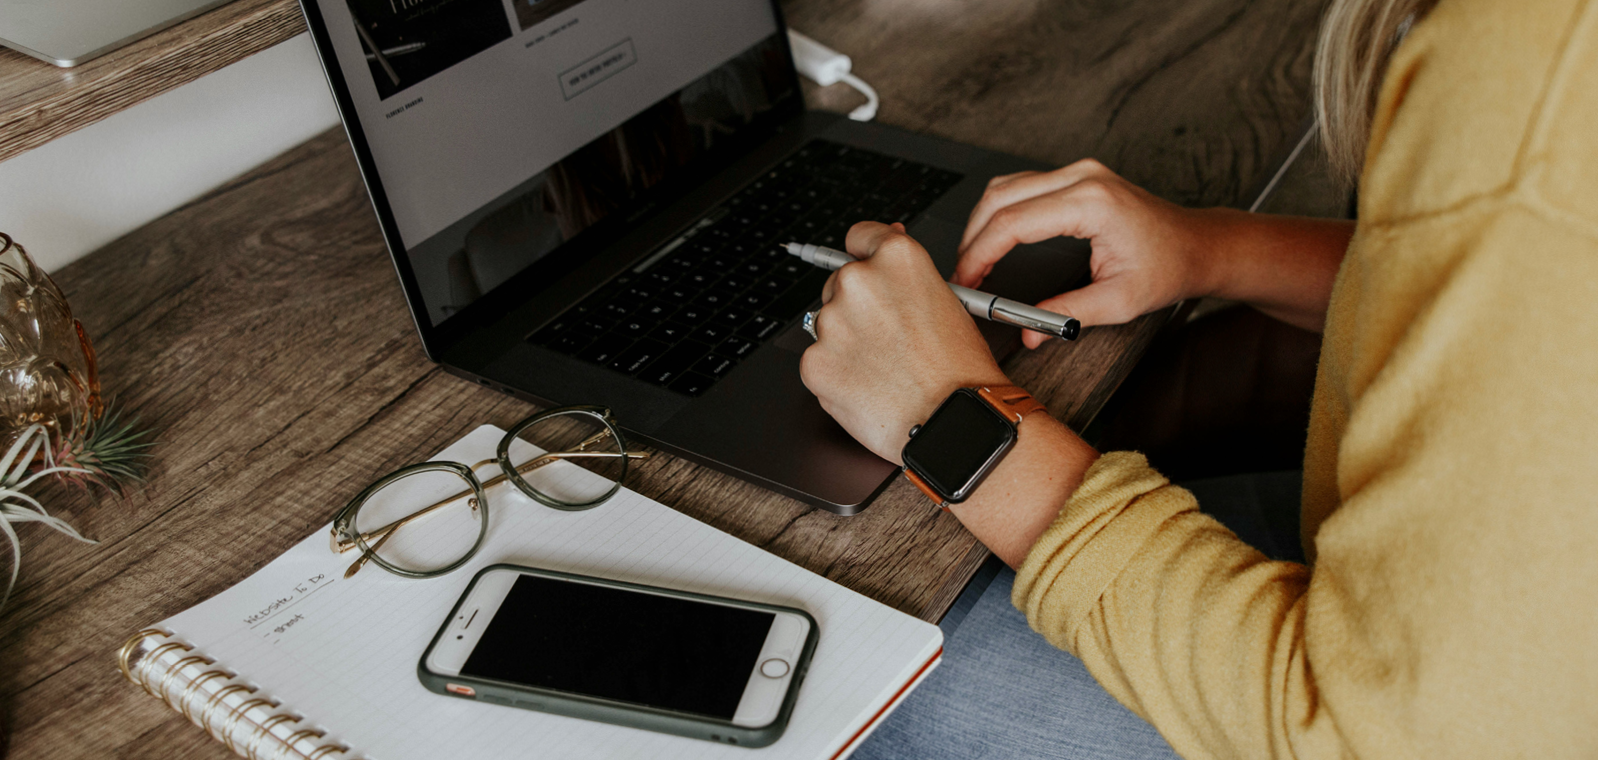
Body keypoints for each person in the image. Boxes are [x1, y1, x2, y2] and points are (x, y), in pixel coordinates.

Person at [801, 0, 1598, 756]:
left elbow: (1376, 740)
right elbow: (1522, 298)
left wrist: (946, 412)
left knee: (833, 668)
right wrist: (1209, 247)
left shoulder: (1529, 73)